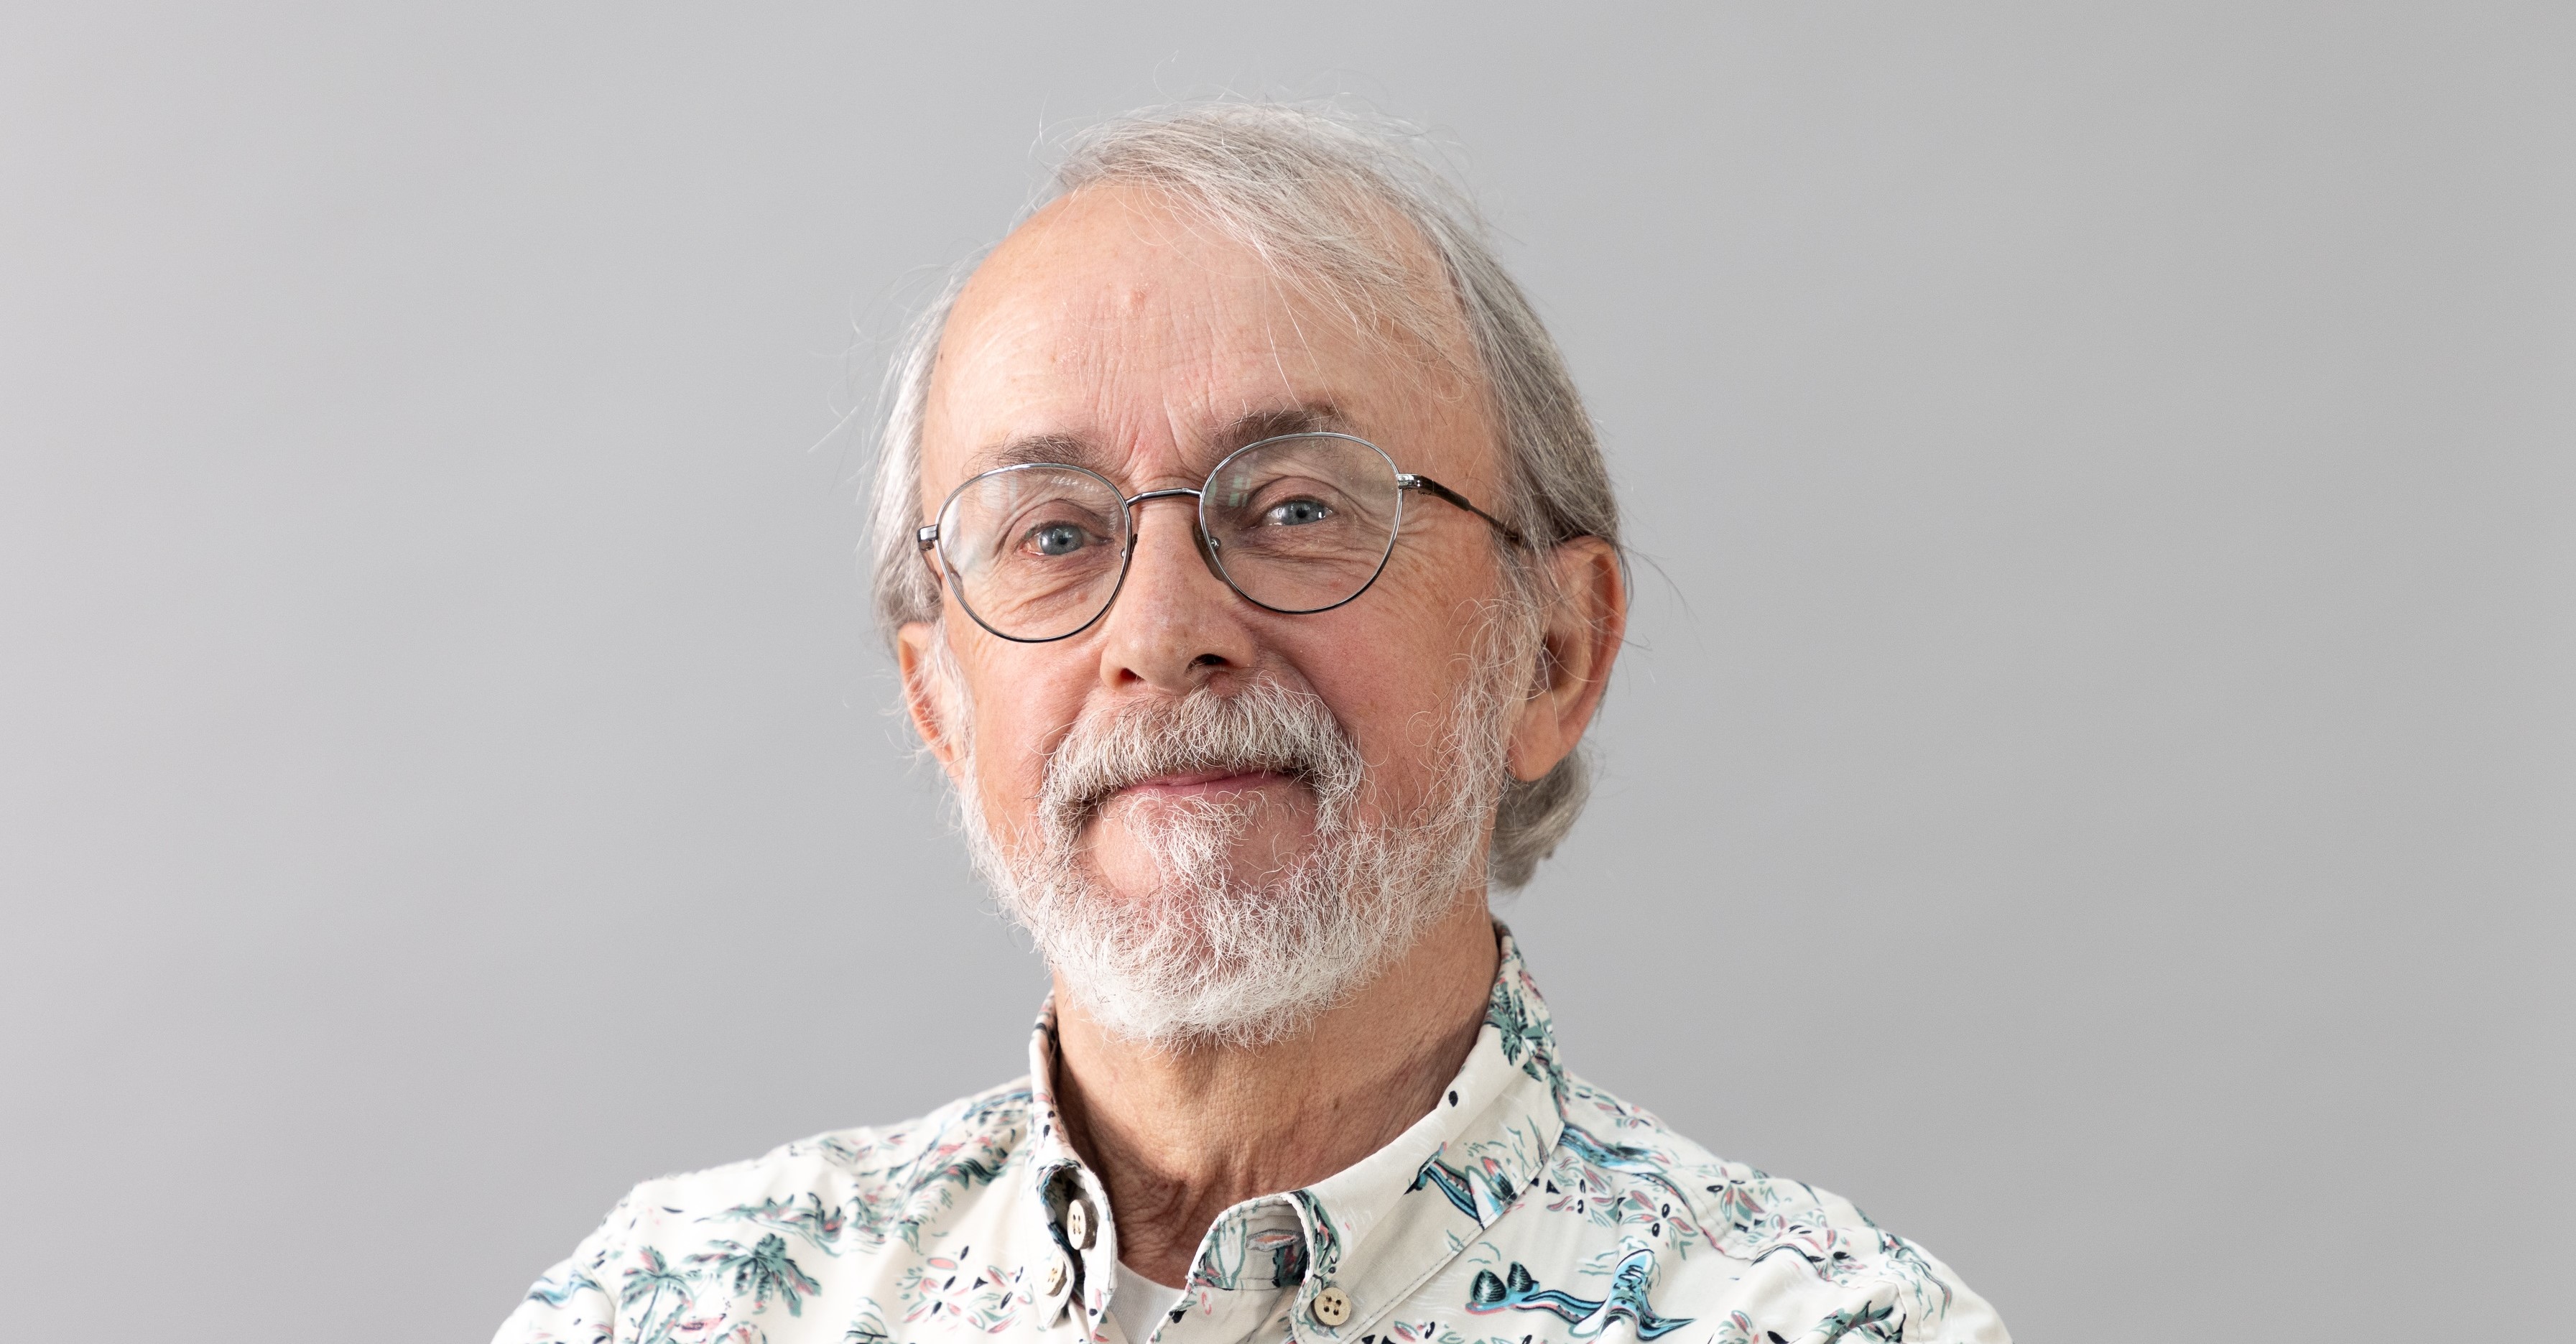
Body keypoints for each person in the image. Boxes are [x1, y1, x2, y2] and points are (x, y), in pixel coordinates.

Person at [496, 103, 2008, 1344]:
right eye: (1053, 533)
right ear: (938, 704)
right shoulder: (676, 1306)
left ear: (1551, 657)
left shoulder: (1831, 1328)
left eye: (1294, 508)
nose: (1162, 634)